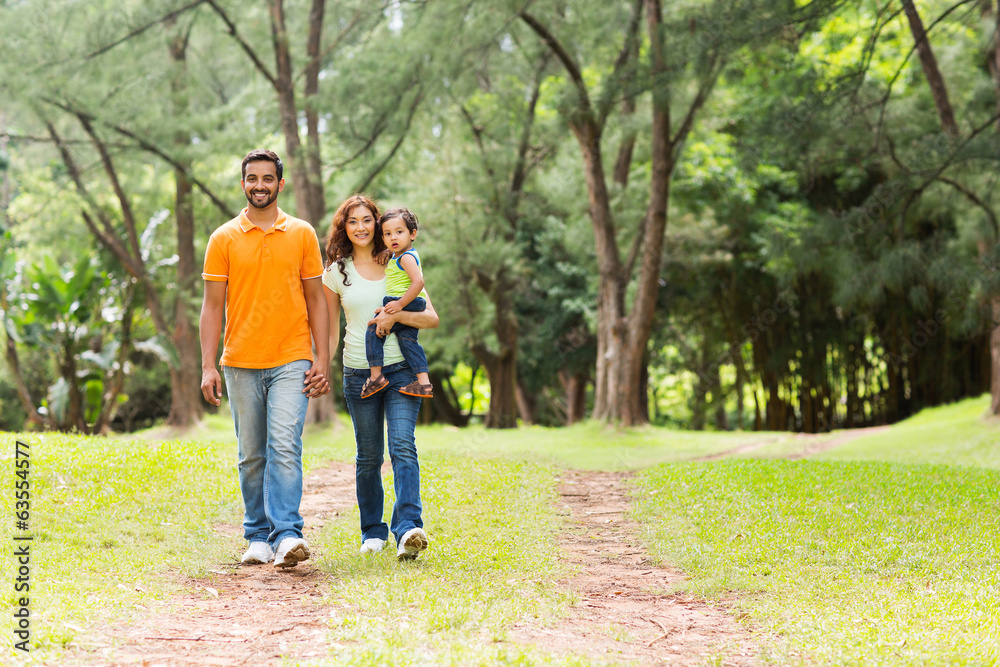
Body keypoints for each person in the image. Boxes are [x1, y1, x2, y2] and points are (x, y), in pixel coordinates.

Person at [199, 149, 330, 569]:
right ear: (243, 184)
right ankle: (257, 535)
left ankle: (288, 533)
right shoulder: (223, 238)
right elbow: (210, 307)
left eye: (267, 179)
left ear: (280, 184)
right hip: (240, 360)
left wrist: (321, 358)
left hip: (292, 356)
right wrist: (207, 364)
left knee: (286, 445)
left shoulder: (303, 233)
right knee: (252, 452)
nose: (260, 185)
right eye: (252, 179)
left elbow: (317, 299)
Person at [322, 195, 439, 560]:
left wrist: (395, 317)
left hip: (402, 369)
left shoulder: (397, 261)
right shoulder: (335, 272)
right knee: (368, 456)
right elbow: (328, 331)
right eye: (352, 221)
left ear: (377, 223)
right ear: (344, 227)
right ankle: (373, 530)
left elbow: (430, 317)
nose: (360, 227)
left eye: (367, 220)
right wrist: (319, 369)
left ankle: (408, 529)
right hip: (359, 372)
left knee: (402, 445)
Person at [361, 208, 433, 399]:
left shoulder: (406, 257)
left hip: (405, 301)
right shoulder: (399, 255)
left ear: (413, 234)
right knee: (408, 341)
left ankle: (376, 377)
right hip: (406, 303)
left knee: (373, 331)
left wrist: (399, 305)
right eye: (387, 234)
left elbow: (418, 282)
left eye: (399, 232)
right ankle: (424, 383)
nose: (394, 237)